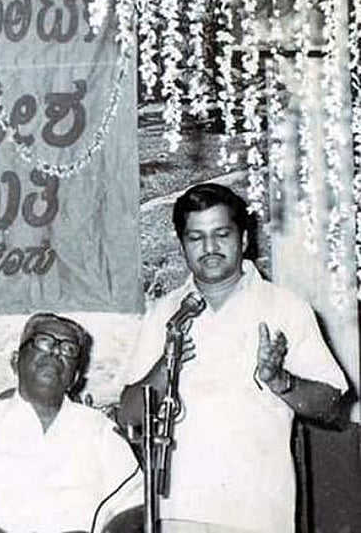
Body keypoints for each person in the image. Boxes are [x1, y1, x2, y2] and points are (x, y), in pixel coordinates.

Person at [118, 183, 349, 533]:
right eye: (196, 238)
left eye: (221, 234)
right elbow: (128, 413)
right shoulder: (165, 313)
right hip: (178, 511)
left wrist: (279, 380)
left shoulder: (285, 307)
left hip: (257, 512)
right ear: (183, 246)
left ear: (243, 240)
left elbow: (332, 406)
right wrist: (164, 370)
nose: (209, 248)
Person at [0, 313, 140, 533]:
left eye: (68, 350)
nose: (55, 353)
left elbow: (135, 507)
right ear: (15, 361)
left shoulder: (100, 430)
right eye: (44, 342)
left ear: (75, 377)